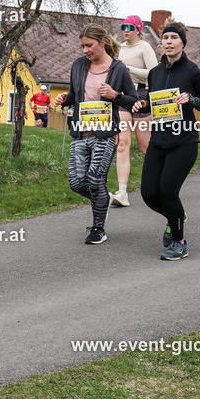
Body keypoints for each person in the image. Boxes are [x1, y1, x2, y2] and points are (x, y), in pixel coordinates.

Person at [54, 24, 139, 244]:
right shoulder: (78, 65)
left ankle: (98, 228)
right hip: (81, 132)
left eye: (89, 45)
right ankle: (105, 198)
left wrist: (115, 95)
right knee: (76, 182)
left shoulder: (118, 69)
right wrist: (65, 99)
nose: (85, 50)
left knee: (94, 179)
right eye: (82, 46)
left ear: (102, 42)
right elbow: (75, 95)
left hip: (105, 134)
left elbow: (134, 100)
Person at [138, 21, 200, 260]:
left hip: (183, 142)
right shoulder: (155, 72)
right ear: (160, 42)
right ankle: (176, 217)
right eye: (165, 38)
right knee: (149, 193)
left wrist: (191, 100)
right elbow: (155, 103)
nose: (169, 42)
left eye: (174, 38)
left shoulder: (193, 71)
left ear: (183, 42)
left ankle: (179, 242)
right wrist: (141, 104)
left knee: (167, 191)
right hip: (158, 140)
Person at [113, 15, 157, 206]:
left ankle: (161, 180)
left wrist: (128, 68)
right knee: (122, 143)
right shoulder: (120, 48)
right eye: (124, 26)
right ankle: (122, 192)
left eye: (130, 27)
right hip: (123, 95)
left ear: (138, 30)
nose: (126, 30)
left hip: (141, 94)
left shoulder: (144, 47)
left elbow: (155, 72)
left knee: (144, 146)